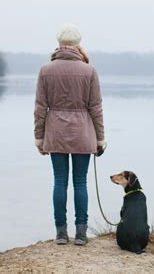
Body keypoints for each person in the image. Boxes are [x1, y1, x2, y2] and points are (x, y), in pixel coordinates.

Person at [34, 23, 106, 246]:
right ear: (78, 44)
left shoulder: (45, 70)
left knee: (59, 182)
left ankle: (61, 233)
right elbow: (96, 107)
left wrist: (39, 136)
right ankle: (82, 234)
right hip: (83, 133)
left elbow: (39, 107)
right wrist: (101, 137)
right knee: (80, 182)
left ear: (59, 44)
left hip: (55, 133)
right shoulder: (89, 71)